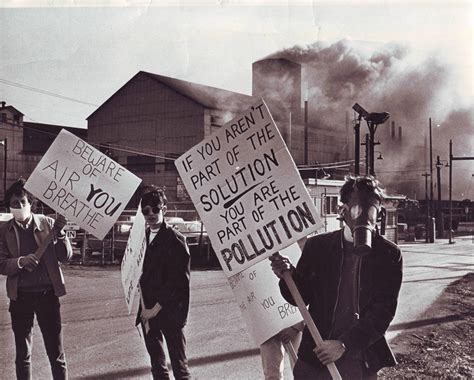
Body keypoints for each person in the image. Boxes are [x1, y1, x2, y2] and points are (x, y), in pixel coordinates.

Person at [270, 175, 403, 379]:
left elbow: (383, 312)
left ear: (379, 213)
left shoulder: (388, 254)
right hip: (316, 356)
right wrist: (287, 274)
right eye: (358, 207)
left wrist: (345, 344)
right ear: (343, 210)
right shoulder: (319, 247)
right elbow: (300, 297)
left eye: (371, 209)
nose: (364, 215)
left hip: (359, 360)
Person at [0, 178, 72, 380]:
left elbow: (65, 258)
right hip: (20, 297)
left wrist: (61, 235)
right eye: (14, 204)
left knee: (56, 353)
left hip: (48, 296)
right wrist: (21, 262)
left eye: (23, 202)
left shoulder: (49, 223)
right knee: (23, 354)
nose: (19, 207)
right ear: (9, 207)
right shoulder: (3, 230)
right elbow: (1, 263)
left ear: (31, 203)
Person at [136, 185, 191, 379]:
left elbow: (179, 284)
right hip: (147, 309)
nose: (151, 214)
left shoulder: (176, 240)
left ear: (164, 210)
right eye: (146, 211)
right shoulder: (140, 239)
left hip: (170, 313)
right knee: (158, 368)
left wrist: (156, 308)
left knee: (180, 368)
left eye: (155, 209)